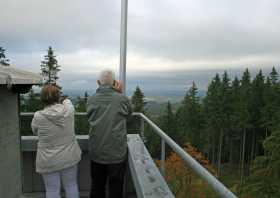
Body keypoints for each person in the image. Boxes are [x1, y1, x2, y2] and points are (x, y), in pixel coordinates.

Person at [87, 69, 132, 198]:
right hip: (116, 152)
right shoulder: (122, 99)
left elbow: (89, 116)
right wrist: (119, 93)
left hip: (97, 151)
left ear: (98, 83)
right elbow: (129, 113)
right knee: (116, 187)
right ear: (114, 83)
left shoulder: (91, 99)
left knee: (97, 185)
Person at [31, 85, 82, 198]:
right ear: (58, 97)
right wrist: (64, 99)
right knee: (71, 185)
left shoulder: (38, 116)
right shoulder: (69, 110)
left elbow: (35, 131)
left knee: (52, 189)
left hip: (48, 159)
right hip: (69, 156)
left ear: (43, 98)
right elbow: (68, 102)